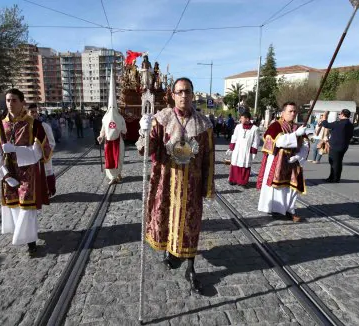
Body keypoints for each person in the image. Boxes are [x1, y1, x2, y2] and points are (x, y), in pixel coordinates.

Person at [136, 77, 215, 294]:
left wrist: (208, 186)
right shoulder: (161, 119)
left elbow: (209, 157)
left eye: (187, 91)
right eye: (179, 92)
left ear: (192, 94)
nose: (183, 96)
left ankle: (190, 267)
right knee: (167, 219)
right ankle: (171, 253)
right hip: (167, 181)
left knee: (191, 225)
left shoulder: (204, 124)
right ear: (172, 95)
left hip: (192, 184)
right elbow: (146, 150)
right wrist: (144, 131)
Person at [0, 89, 51, 256]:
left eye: (14, 100)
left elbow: (38, 152)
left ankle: (30, 242)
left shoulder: (34, 124)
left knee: (27, 206)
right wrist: (3, 174)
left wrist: (16, 149)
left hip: (28, 170)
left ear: (22, 102)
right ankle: (25, 234)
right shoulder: (0, 125)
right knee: (14, 205)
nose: (10, 104)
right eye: (7, 100)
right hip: (9, 171)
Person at [257, 102, 309, 222]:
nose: (293, 113)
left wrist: (299, 156)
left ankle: (290, 210)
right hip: (278, 160)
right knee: (278, 187)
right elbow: (279, 141)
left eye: (295, 111)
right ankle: (277, 210)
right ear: (283, 112)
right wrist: (296, 135)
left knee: (292, 187)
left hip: (294, 161)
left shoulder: (298, 127)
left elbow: (305, 145)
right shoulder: (276, 125)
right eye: (290, 111)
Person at [97, 68, 127, 185]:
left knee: (118, 159)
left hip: (118, 142)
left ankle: (117, 174)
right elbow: (103, 130)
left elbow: (124, 130)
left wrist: (119, 130)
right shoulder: (107, 118)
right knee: (109, 159)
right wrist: (100, 137)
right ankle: (112, 177)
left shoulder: (119, 118)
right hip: (108, 142)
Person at [27, 103, 57, 196]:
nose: (34, 114)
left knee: (48, 172)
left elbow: (52, 142)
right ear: (28, 113)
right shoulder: (24, 127)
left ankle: (49, 191)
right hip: (30, 157)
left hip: (44, 156)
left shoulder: (45, 126)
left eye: (36, 112)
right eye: (32, 112)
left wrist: (46, 153)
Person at [318, 109, 354, 183]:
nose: (339, 116)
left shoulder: (339, 123)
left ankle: (334, 178)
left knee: (334, 162)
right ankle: (333, 177)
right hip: (344, 146)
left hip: (335, 147)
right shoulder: (350, 124)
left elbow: (326, 124)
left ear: (343, 115)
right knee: (338, 162)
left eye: (339, 114)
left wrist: (324, 116)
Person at [226, 111, 259, 187]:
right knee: (235, 164)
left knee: (245, 166)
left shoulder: (255, 129)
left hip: (246, 150)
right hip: (237, 149)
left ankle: (242, 181)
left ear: (247, 119)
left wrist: (254, 152)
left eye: (242, 118)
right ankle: (233, 179)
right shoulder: (238, 126)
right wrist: (231, 148)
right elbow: (234, 137)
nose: (240, 120)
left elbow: (256, 141)